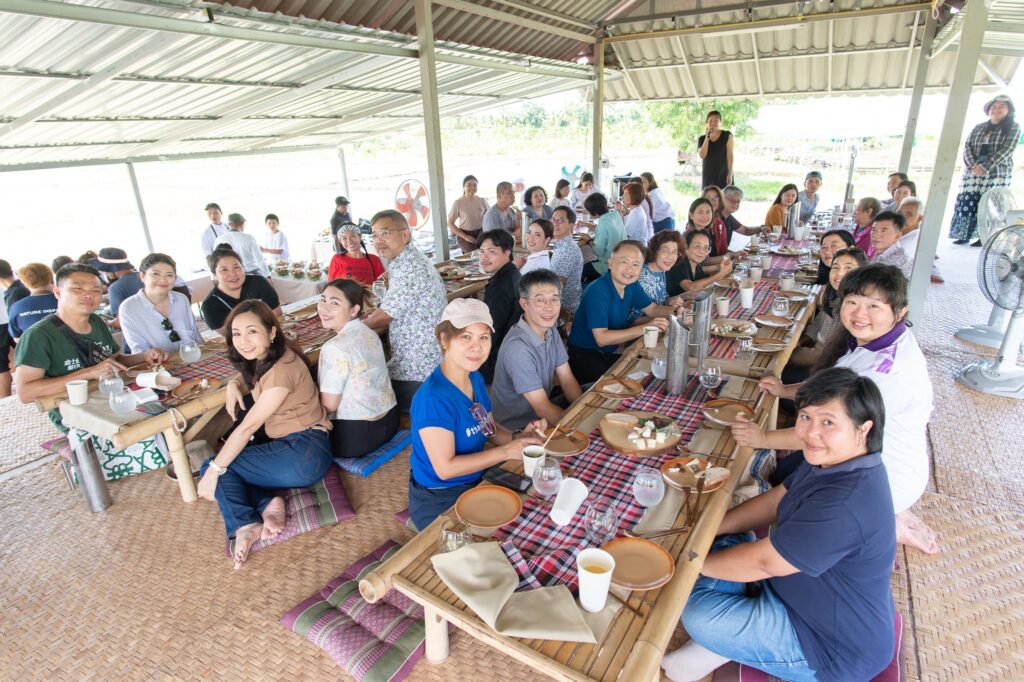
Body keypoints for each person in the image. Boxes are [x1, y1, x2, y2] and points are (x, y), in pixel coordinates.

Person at [663, 367, 896, 682]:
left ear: (863, 428)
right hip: (795, 592)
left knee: (699, 615)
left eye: (828, 422)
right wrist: (710, 530)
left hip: (828, 646)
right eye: (806, 417)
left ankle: (722, 644)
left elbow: (763, 562)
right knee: (720, 532)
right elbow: (776, 500)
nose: (811, 433)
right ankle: (733, 640)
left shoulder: (846, 503)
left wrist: (687, 562)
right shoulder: (832, 461)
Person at [733, 263, 937, 554]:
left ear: (900, 311)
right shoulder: (882, 339)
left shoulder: (884, 373)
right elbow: (833, 390)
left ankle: (884, 523)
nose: (859, 314)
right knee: (782, 474)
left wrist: (763, 438)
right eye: (852, 302)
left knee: (790, 499)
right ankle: (889, 516)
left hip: (885, 478)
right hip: (888, 460)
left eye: (874, 306)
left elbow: (824, 431)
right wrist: (784, 390)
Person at [197, 300, 332, 569]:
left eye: (252, 331)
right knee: (218, 466)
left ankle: (246, 523)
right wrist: (233, 383)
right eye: (236, 334)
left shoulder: (281, 370)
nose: (243, 341)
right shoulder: (272, 355)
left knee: (214, 469)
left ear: (271, 331)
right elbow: (251, 373)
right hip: (301, 449)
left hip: (302, 452)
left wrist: (212, 472)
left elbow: (248, 427)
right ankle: (266, 502)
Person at [407, 298, 544, 531]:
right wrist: (506, 452)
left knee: (536, 507)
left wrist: (518, 437)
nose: (477, 347)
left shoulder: (474, 378)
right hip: (440, 496)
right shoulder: (433, 399)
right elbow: (445, 469)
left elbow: (487, 428)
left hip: (477, 478)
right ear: (444, 339)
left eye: (484, 337)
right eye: (466, 337)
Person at [14, 263, 166, 413]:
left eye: (96, 290)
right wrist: (89, 372)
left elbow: (113, 360)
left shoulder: (96, 321)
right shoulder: (38, 335)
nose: (88, 295)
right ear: (58, 292)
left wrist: (144, 356)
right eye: (77, 289)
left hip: (111, 397)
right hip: (74, 411)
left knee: (167, 406)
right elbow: (25, 393)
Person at [363, 210, 447, 411]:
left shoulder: (410, 266)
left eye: (385, 233)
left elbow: (384, 316)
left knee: (364, 391)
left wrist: (350, 327)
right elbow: (393, 305)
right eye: (374, 235)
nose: (378, 240)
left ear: (405, 235)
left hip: (417, 370)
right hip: (427, 361)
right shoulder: (406, 259)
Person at [568, 240, 682, 385]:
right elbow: (602, 338)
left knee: (646, 376)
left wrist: (677, 311)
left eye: (636, 264)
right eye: (624, 262)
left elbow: (653, 309)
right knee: (620, 387)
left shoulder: (631, 285)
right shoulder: (598, 291)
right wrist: (645, 328)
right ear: (610, 263)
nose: (630, 269)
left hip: (609, 351)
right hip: (584, 354)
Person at [316, 279, 399, 458]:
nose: (324, 308)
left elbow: (329, 405)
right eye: (323, 300)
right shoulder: (369, 332)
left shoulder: (334, 347)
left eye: (334, 303)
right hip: (390, 423)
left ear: (354, 310)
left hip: (357, 439)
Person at [492, 270, 583, 430]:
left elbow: (567, 379)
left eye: (554, 299)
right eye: (540, 300)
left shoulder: (550, 329)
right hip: (521, 427)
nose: (549, 308)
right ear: (524, 304)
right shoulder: (518, 349)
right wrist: (580, 428)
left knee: (592, 394)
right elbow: (543, 408)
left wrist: (584, 412)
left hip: (541, 413)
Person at [950, 95, 1020, 245]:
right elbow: (967, 147)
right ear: (988, 110)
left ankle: (985, 237)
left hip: (997, 172)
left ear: (1009, 110)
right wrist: (973, 166)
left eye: (1002, 106)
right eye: (994, 106)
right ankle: (963, 234)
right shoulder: (978, 127)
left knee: (991, 204)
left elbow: (1008, 149)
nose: (997, 109)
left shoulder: (1013, 127)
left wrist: (985, 166)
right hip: (973, 172)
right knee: (968, 201)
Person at [788, 247, 867, 371]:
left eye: (848, 268)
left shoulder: (853, 310)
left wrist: (791, 354)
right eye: (835, 267)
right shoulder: (834, 296)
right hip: (816, 352)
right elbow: (820, 321)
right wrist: (805, 339)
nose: (839, 273)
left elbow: (828, 355)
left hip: (824, 366)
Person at [119, 253, 203, 354]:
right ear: (142, 276)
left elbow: (196, 337)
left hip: (192, 357)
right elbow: (140, 352)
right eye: (156, 274)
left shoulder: (181, 299)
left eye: (169, 275)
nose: (163, 280)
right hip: (159, 363)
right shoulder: (129, 308)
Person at [476, 229, 522, 384]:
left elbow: (491, 331)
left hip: (499, 359)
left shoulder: (499, 288)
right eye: (481, 251)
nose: (484, 257)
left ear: (506, 253)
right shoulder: (513, 274)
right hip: (514, 347)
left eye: (491, 251)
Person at [200, 247, 281, 332]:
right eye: (224, 270)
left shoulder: (259, 283)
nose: (232, 274)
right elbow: (230, 335)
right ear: (214, 275)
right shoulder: (210, 305)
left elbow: (277, 315)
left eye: (236, 267)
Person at [667, 229, 733, 296]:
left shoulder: (695, 265)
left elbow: (702, 269)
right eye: (697, 246)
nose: (702, 251)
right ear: (686, 247)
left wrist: (720, 267)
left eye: (706, 247)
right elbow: (690, 287)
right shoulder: (679, 264)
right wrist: (721, 274)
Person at [581, 192, 626, 284]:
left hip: (610, 265)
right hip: (622, 258)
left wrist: (588, 239)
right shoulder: (615, 214)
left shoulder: (603, 223)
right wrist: (586, 224)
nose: (588, 213)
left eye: (588, 211)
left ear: (594, 212)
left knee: (584, 268)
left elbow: (598, 251)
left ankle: (589, 289)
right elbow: (607, 230)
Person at [7, 263, 57, 340]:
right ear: (51, 279)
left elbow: (17, 338)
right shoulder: (65, 301)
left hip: (34, 346)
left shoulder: (16, 307)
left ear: (25, 283)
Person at [549, 206, 584, 315]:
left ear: (571, 225)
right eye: (553, 219)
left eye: (560, 220)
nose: (555, 223)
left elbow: (557, 283)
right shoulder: (562, 244)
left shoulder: (568, 250)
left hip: (563, 310)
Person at [638, 231, 688, 306]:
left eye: (674, 252)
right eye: (665, 251)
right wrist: (669, 306)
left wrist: (686, 296)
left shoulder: (660, 271)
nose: (670, 256)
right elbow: (647, 310)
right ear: (654, 251)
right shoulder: (643, 276)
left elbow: (663, 299)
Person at [216, 213, 271, 278]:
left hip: (231, 276)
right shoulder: (248, 238)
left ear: (229, 225)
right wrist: (268, 276)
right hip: (252, 274)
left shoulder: (219, 239)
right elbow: (259, 259)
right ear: (242, 224)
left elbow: (216, 260)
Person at [92, 247, 141, 318]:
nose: (104, 272)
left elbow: (120, 320)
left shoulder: (115, 288)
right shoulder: (144, 276)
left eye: (104, 269)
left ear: (110, 269)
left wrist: (107, 322)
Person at [447, 175, 489, 254]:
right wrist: (465, 237)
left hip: (481, 233)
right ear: (463, 187)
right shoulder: (458, 202)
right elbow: (450, 223)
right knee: (473, 255)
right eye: (468, 185)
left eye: (474, 185)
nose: (472, 187)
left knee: (486, 253)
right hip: (465, 234)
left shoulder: (482, 201)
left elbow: (490, 217)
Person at [697, 110, 733, 189]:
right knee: (709, 196)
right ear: (707, 123)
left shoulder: (727, 135)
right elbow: (702, 155)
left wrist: (730, 173)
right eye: (710, 121)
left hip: (724, 174)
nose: (713, 123)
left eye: (716, 120)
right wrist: (707, 138)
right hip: (708, 176)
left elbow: (730, 155)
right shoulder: (702, 139)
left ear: (720, 122)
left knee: (725, 195)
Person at [869, 211, 912, 278]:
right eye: (874, 229)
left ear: (897, 236)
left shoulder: (899, 262)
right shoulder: (881, 253)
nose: (876, 234)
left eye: (883, 230)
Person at [700, 187, 733, 259]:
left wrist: (733, 255)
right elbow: (702, 261)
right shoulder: (697, 223)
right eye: (708, 198)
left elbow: (723, 251)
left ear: (720, 201)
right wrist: (731, 255)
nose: (713, 201)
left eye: (716, 197)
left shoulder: (720, 223)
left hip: (717, 262)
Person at [622, 182, 653, 246]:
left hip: (637, 248)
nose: (623, 197)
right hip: (635, 246)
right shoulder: (635, 209)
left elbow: (624, 236)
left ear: (634, 196)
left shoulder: (636, 214)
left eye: (626, 195)